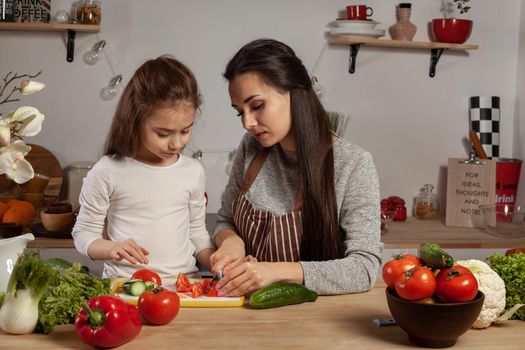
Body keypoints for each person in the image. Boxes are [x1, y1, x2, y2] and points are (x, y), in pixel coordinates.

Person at [210, 39, 382, 297]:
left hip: (319, 317)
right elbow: (225, 220)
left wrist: (276, 272)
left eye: (257, 106)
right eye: (240, 112)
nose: (247, 122)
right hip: (249, 310)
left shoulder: (353, 163)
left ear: (294, 91)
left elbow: (364, 268)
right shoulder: (251, 147)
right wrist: (231, 241)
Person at [72, 55, 214, 278]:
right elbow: (83, 234)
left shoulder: (193, 171)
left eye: (185, 130)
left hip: (183, 289)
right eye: (163, 133)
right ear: (135, 120)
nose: (177, 143)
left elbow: (196, 233)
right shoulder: (108, 170)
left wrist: (216, 260)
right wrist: (111, 248)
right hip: (125, 288)